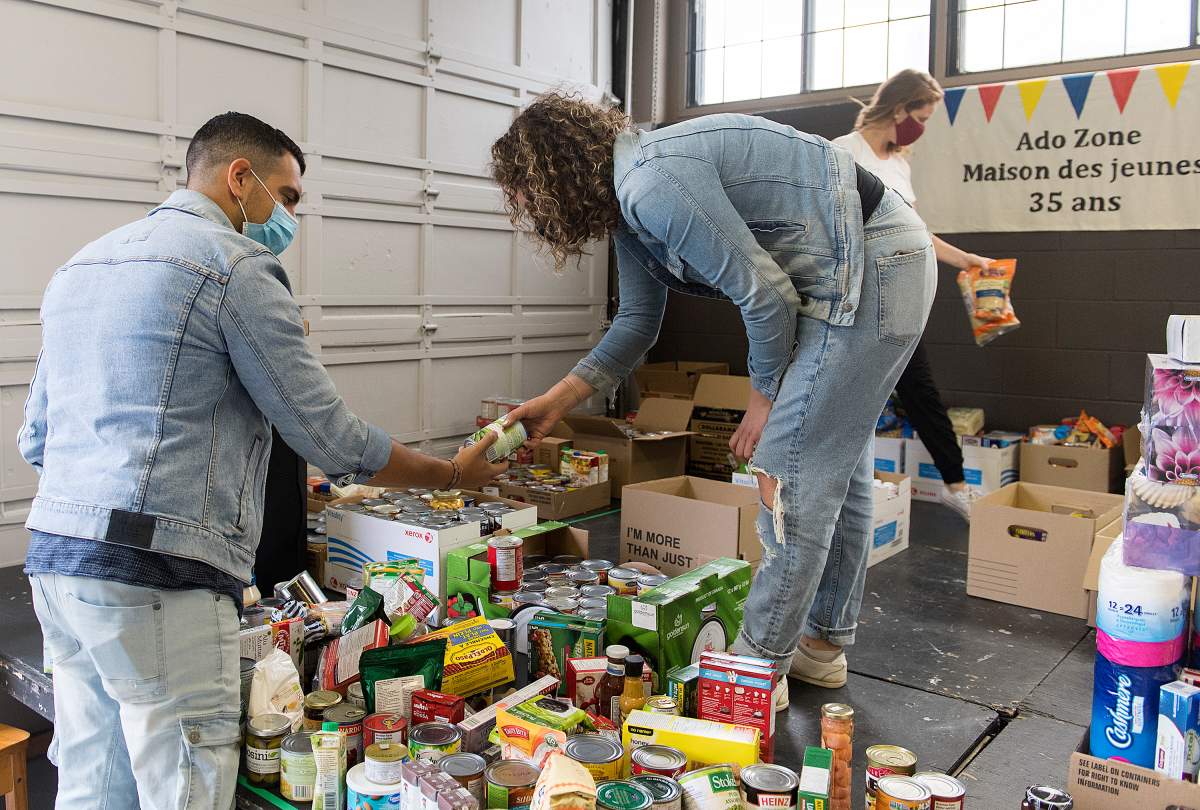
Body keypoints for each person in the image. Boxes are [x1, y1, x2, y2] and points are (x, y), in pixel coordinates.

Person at [18, 111, 507, 809]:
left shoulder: (82, 265)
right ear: (239, 178)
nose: (289, 215)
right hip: (159, 575)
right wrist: (453, 473)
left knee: (95, 779)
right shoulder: (238, 266)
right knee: (185, 776)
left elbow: (35, 440)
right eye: (289, 195)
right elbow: (331, 438)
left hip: (58, 566)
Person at [491, 93, 936, 703]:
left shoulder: (653, 182)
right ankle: (820, 648)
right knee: (838, 468)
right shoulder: (629, 202)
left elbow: (765, 296)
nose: (525, 210)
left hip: (874, 265)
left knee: (787, 478)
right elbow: (637, 324)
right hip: (864, 266)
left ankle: (753, 677)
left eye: (523, 193)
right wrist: (557, 400)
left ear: (552, 174)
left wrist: (764, 398)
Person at [833, 69, 995, 522]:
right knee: (852, 391)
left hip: (902, 292)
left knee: (919, 389)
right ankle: (843, 487)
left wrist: (966, 260)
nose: (921, 128)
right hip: (859, 294)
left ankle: (955, 485)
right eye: (920, 116)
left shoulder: (899, 162)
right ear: (900, 108)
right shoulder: (844, 152)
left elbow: (917, 231)